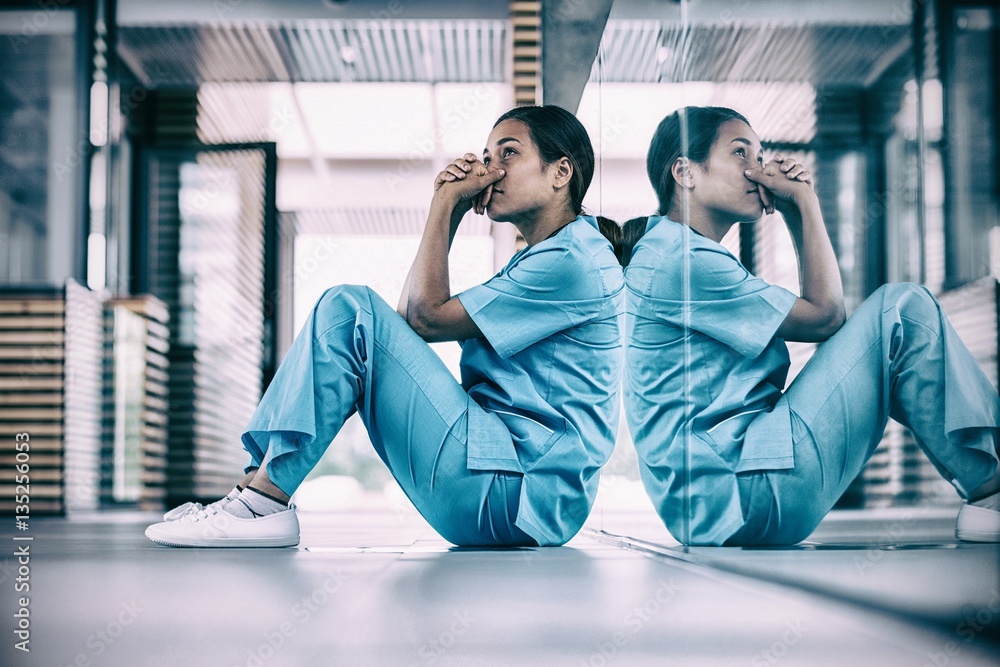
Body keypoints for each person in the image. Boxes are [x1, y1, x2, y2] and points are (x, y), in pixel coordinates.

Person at [145, 105, 625, 548]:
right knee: (355, 317)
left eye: (509, 154)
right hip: (507, 485)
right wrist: (450, 211)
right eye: (486, 155)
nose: (490, 170)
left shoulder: (571, 260)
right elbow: (411, 320)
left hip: (511, 491)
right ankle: (255, 495)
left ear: (561, 172)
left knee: (350, 310)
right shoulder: (550, 255)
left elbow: (422, 317)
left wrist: (444, 204)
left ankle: (260, 504)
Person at [622, 105, 1000, 546]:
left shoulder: (671, 252)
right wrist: (804, 202)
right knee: (902, 310)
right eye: (740, 153)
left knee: (893, 321)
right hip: (747, 491)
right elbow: (825, 317)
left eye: (759, 156)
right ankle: (992, 491)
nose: (758, 170)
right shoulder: (682, 261)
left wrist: (797, 210)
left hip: (725, 500)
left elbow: (823, 315)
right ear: (685, 172)